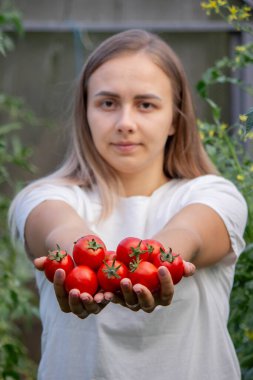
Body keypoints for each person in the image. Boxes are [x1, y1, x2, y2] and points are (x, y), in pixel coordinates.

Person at [9, 29, 247, 380]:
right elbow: (60, 228)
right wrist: (86, 259)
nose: (125, 123)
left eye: (146, 104)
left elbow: (190, 233)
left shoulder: (214, 195)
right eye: (107, 103)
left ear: (174, 119)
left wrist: (147, 264)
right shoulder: (42, 196)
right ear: (85, 113)